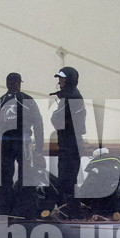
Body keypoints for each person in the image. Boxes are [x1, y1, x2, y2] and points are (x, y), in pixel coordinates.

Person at [0, 71, 44, 214]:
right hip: (23, 143)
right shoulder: (27, 100)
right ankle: (26, 211)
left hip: (5, 144)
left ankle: (4, 212)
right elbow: (38, 123)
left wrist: (0, 139)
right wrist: (39, 147)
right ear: (19, 84)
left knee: (4, 179)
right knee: (27, 178)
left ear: (7, 84)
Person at [51, 65, 88, 209]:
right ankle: (68, 209)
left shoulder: (70, 97)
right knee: (69, 177)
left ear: (69, 80)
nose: (59, 81)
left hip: (69, 144)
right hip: (71, 142)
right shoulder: (72, 95)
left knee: (66, 178)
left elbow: (57, 120)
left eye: (62, 78)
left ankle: (68, 210)